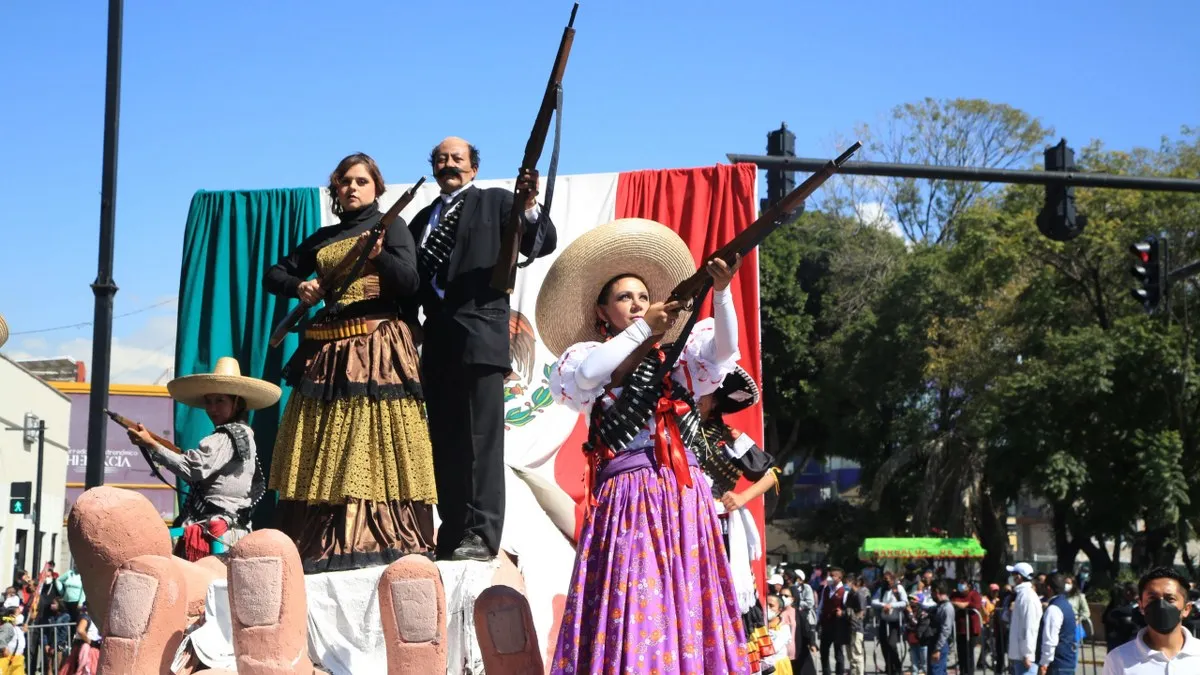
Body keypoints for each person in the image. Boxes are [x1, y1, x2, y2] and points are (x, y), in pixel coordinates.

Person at [537, 218, 746, 672]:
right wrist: (640, 331)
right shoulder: (584, 356)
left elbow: (723, 352)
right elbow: (591, 375)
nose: (636, 304)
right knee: (637, 597)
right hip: (630, 495)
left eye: (643, 296)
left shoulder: (676, 356)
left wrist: (723, 290)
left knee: (689, 599)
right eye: (623, 297)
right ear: (601, 310)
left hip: (684, 495)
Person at [264, 152, 437, 572]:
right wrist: (299, 286)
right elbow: (274, 274)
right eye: (345, 182)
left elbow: (410, 283)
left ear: (377, 187)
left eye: (361, 181)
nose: (353, 187)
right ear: (336, 190)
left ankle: (375, 534)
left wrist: (378, 255)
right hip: (329, 349)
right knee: (323, 442)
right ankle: (318, 536)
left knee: (370, 438)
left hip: (377, 347)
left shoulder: (392, 227)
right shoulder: (322, 237)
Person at [405, 137, 556, 562]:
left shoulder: (496, 202)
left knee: (480, 443)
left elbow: (541, 241)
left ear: (473, 168)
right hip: (437, 343)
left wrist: (528, 205)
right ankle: (452, 532)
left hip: (481, 338)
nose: (448, 164)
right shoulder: (421, 220)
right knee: (446, 443)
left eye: (457, 158)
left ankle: (482, 534)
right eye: (440, 159)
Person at [129, 357, 280, 561]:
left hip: (214, 534)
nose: (212, 408)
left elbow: (193, 468)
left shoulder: (226, 435)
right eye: (208, 401)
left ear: (237, 402)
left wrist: (151, 445)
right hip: (232, 530)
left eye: (220, 401)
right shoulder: (244, 434)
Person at [696, 365, 781, 671]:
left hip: (721, 530)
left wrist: (742, 497)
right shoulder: (672, 430)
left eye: (702, 389)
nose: (695, 395)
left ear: (715, 399)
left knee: (730, 592)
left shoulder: (730, 436)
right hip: (684, 527)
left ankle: (738, 660)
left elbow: (771, 474)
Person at [1103, 566, 1200, 675]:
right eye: (1153, 599)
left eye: (1170, 599)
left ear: (1186, 609)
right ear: (1141, 606)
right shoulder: (1118, 659)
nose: (1161, 605)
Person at [1035, 573, 1077, 675]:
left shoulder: (1054, 608)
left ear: (1049, 588)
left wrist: (1044, 664)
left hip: (1056, 666)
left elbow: (1050, 640)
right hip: (1067, 664)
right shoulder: (1066, 605)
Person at [1007, 562, 1044, 675]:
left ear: (1018, 577)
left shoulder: (1027, 597)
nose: (1011, 577)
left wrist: (1027, 654)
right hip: (1020, 656)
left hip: (1025, 658)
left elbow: (1030, 627)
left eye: (1013, 574)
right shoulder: (1022, 595)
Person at [873, 570, 909, 675]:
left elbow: (904, 602)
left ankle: (897, 666)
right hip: (884, 621)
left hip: (895, 622)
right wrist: (883, 605)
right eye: (884, 580)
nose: (886, 582)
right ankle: (889, 668)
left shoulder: (899, 588)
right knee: (884, 644)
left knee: (891, 644)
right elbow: (874, 601)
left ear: (893, 580)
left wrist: (892, 605)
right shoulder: (882, 589)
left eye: (888, 580)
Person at [819, 566, 850, 675]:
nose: (829, 578)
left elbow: (847, 609)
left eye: (832, 576)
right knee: (824, 652)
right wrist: (819, 619)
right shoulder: (826, 588)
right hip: (826, 624)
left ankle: (839, 673)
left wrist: (842, 613)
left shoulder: (844, 591)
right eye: (829, 575)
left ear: (839, 577)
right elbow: (821, 604)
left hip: (838, 625)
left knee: (838, 653)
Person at [951, 578, 984, 675]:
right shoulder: (955, 594)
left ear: (969, 586)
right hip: (959, 629)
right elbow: (952, 601)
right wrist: (960, 604)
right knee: (961, 653)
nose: (960, 586)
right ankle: (962, 672)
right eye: (959, 583)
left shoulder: (974, 594)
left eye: (963, 583)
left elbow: (976, 605)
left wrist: (965, 605)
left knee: (969, 653)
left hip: (971, 629)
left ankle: (969, 672)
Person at [929, 581, 955, 675]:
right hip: (935, 642)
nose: (931, 595)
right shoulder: (940, 606)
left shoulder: (947, 608)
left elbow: (946, 630)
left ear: (936, 591)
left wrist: (937, 649)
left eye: (932, 592)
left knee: (937, 671)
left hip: (940, 644)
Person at [767, 594, 795, 675]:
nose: (767, 608)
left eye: (771, 606)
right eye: (765, 604)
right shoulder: (760, 626)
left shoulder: (784, 628)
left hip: (779, 667)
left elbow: (773, 649)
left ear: (779, 610)